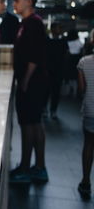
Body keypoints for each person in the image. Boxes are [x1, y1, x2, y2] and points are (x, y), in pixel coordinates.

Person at [9, 0, 49, 184]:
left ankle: (26, 168)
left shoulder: (33, 23)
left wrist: (24, 81)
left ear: (29, 1)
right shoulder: (27, 22)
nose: (14, 4)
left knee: (28, 124)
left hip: (32, 82)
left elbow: (34, 56)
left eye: (17, 0)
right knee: (34, 123)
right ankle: (38, 167)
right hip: (33, 82)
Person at [77, 30, 94, 199]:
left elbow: (81, 90)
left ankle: (86, 181)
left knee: (88, 145)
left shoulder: (84, 62)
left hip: (90, 109)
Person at [45, 23, 69, 119]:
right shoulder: (47, 39)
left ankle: (53, 110)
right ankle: (44, 109)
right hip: (48, 69)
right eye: (58, 28)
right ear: (52, 29)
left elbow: (66, 54)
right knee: (46, 90)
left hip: (59, 70)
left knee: (56, 91)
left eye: (60, 28)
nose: (59, 30)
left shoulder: (63, 40)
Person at [65, 30, 83, 97]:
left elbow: (66, 52)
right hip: (77, 59)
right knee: (75, 76)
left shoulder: (67, 42)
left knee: (68, 76)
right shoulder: (79, 42)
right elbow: (82, 50)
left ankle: (68, 92)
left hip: (69, 59)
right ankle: (75, 92)